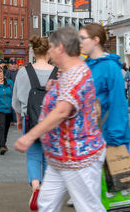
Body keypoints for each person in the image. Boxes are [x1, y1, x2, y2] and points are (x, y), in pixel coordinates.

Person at [14, 27, 106, 212]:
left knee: (89, 208)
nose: (49, 52)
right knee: (46, 205)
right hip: (60, 156)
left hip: (79, 158)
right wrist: (55, 86)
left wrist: (30, 136)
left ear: (61, 48)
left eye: (52, 47)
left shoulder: (75, 74)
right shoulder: (67, 72)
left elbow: (62, 111)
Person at [12, 36, 57, 211]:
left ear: (33, 51)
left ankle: (36, 186)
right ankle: (45, 192)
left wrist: (19, 119)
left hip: (29, 120)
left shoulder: (23, 72)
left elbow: (16, 101)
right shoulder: (57, 72)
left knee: (32, 156)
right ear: (48, 52)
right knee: (47, 158)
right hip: (51, 123)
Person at [79, 23, 130, 146]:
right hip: (90, 138)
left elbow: (118, 102)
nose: (79, 43)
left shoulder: (110, 66)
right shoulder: (86, 66)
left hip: (109, 139)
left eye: (82, 38)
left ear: (95, 40)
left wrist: (115, 138)